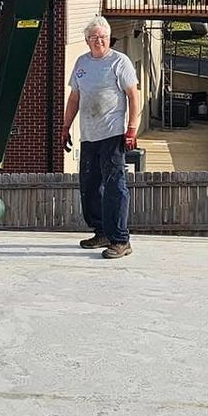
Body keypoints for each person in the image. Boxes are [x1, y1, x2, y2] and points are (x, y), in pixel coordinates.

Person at [61, 14, 141, 259]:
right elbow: (74, 98)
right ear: (87, 40)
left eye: (103, 37)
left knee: (115, 186)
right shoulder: (82, 63)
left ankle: (120, 239)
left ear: (109, 38)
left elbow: (133, 96)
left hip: (113, 134)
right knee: (90, 186)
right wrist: (65, 127)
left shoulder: (119, 62)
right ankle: (102, 231)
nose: (99, 41)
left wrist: (132, 129)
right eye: (94, 37)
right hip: (89, 136)